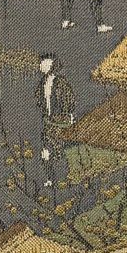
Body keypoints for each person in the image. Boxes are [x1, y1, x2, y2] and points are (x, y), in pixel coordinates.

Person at [36, 56, 76, 187]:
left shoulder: (61, 82)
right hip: (48, 122)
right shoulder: (42, 83)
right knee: (46, 152)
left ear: (51, 66)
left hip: (60, 122)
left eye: (45, 63)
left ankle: (62, 177)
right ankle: (51, 178)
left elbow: (69, 100)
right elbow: (39, 101)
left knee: (58, 150)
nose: (41, 65)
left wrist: (69, 116)